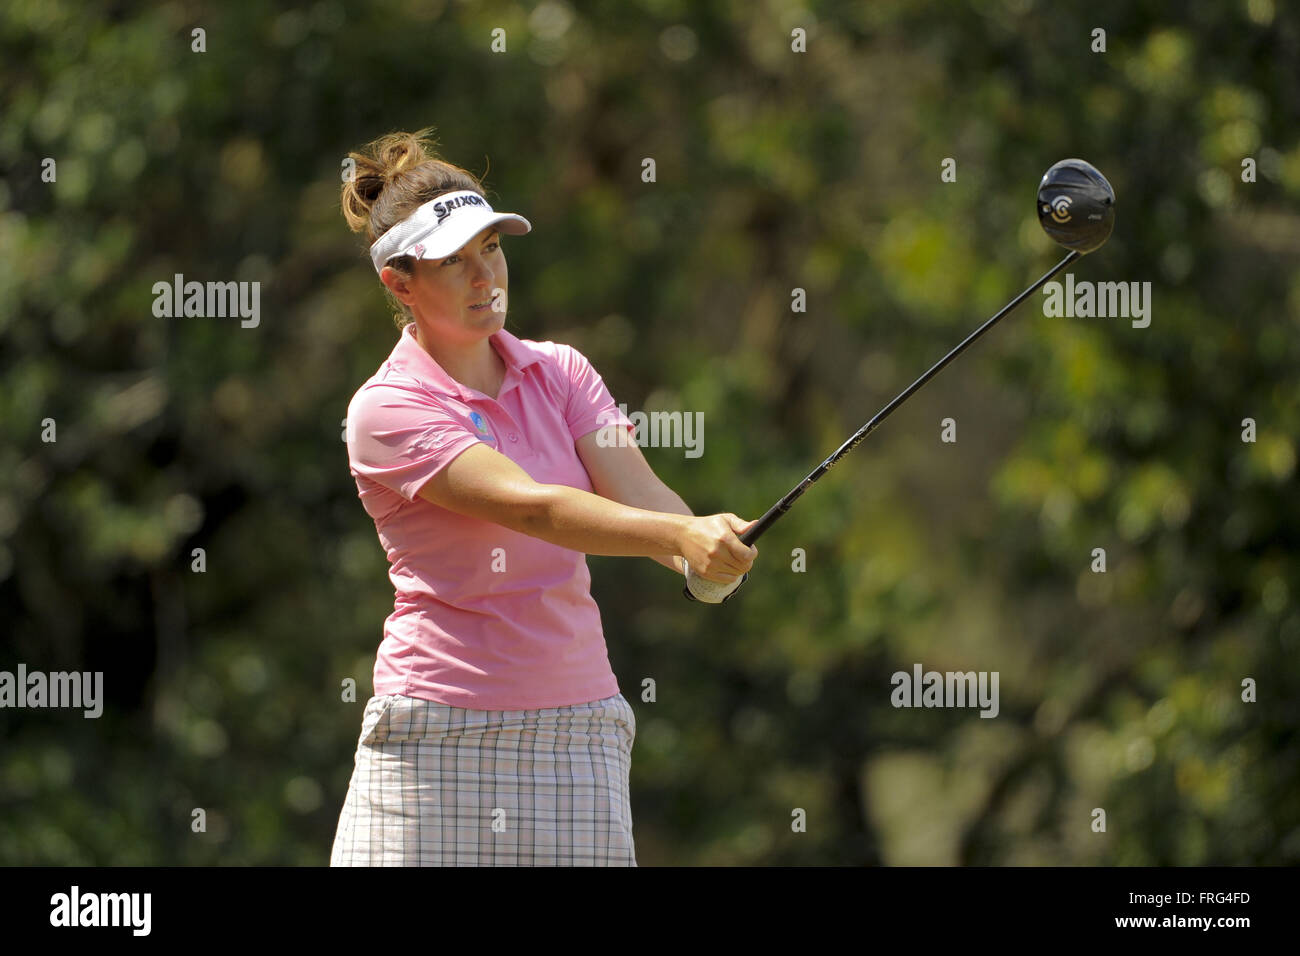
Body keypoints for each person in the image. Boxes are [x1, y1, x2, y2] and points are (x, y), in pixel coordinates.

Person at [328, 129, 758, 867]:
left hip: (577, 732)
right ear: (399, 282)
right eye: (453, 261)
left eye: (490, 249)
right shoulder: (386, 409)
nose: (483, 276)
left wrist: (704, 553)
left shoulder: (559, 372)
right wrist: (678, 540)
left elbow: (644, 495)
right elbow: (535, 509)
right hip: (434, 737)